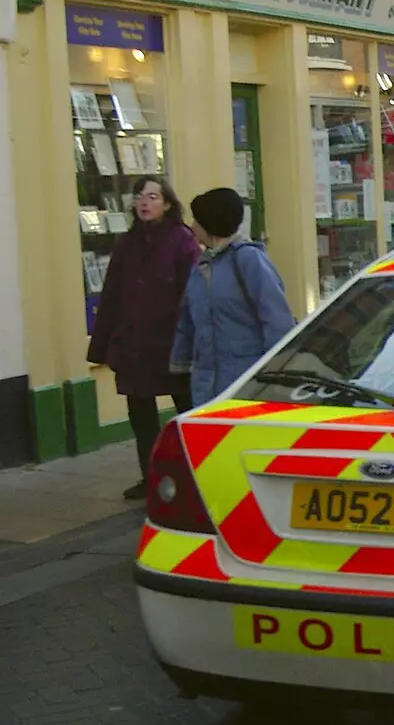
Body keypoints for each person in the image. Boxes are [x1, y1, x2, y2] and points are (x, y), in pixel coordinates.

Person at [86, 175, 201, 499]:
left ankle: (192, 476)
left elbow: (190, 294)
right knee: (141, 415)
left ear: (166, 203)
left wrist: (189, 339)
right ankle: (149, 477)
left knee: (185, 411)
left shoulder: (181, 240)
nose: (144, 202)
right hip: (135, 345)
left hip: (171, 344)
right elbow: (112, 295)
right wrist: (105, 342)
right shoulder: (127, 243)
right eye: (140, 196)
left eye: (152, 196)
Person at [171, 188, 296, 407]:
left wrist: (271, 375)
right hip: (205, 385)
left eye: (197, 220)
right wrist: (179, 365)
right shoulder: (202, 266)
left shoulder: (248, 260)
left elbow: (277, 321)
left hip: (246, 383)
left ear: (210, 223)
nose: (192, 227)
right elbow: (187, 320)